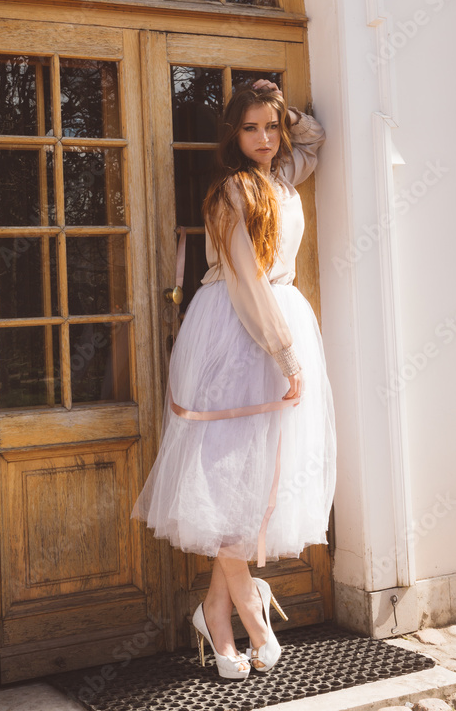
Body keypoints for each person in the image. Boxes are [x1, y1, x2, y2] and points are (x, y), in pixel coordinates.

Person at [131, 80, 337, 679]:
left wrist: (283, 108)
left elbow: (315, 137)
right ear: (232, 133)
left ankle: (214, 614)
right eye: (251, 128)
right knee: (228, 475)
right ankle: (247, 611)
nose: (266, 139)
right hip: (237, 328)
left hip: (278, 318)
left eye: (271, 127)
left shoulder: (282, 175)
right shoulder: (230, 191)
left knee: (264, 476)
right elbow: (246, 280)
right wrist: (285, 355)